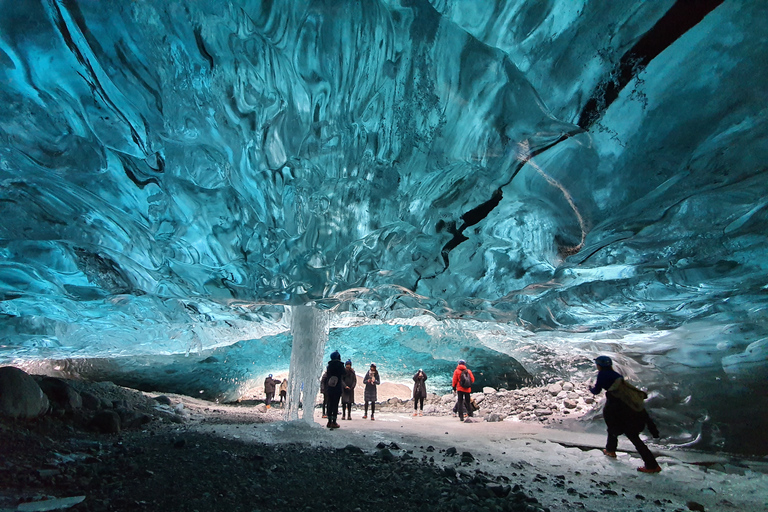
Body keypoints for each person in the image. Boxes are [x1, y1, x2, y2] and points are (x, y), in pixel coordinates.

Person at [590, 355, 662, 474]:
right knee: (618, 431)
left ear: (600, 365)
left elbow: (597, 390)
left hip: (619, 409)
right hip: (628, 409)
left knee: (628, 434)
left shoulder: (603, 375)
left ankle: (652, 465)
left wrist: (591, 389)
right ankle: (610, 450)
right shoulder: (617, 376)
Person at [324, 351, 345, 429]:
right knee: (335, 404)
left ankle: (329, 421)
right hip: (337, 387)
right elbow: (344, 373)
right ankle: (334, 422)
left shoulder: (329, 366)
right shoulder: (340, 365)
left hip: (329, 387)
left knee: (329, 404)